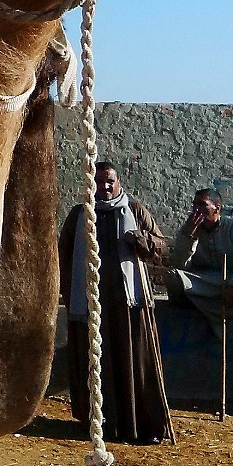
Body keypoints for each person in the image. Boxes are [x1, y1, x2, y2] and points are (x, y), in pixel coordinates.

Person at [59, 160, 172, 444]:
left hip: (130, 307)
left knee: (135, 362)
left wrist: (143, 240)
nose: (104, 187)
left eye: (109, 181)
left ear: (118, 182)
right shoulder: (79, 216)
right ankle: (99, 424)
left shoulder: (134, 210)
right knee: (96, 364)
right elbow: (62, 253)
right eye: (98, 182)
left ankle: (142, 425)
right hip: (91, 308)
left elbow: (162, 244)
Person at [167, 188, 233, 338]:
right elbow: (178, 264)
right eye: (195, 204)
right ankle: (229, 315)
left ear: (217, 207)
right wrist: (189, 237)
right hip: (204, 284)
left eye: (202, 204)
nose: (196, 209)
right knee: (172, 276)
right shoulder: (189, 229)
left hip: (231, 284)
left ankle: (215, 313)